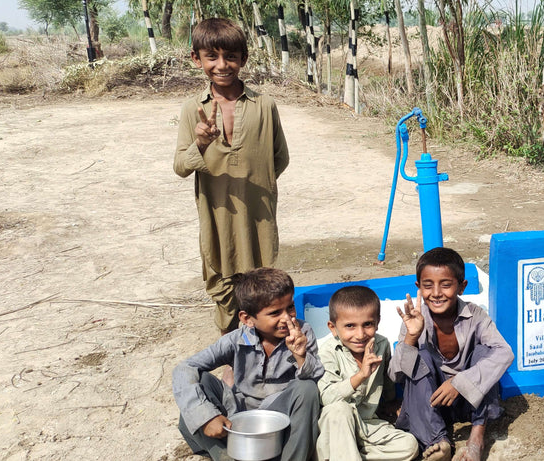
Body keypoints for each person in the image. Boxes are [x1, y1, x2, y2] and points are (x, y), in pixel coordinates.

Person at [173, 17, 289, 335]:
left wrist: (253, 178)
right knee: (222, 283)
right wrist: (200, 143)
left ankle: (265, 351)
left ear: (243, 59)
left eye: (231, 56)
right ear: (197, 59)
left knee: (261, 285)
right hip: (217, 214)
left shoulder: (264, 105)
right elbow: (181, 167)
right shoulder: (191, 109)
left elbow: (280, 157)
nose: (222, 65)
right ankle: (232, 355)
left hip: (258, 214)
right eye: (212, 56)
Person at [172, 268, 323, 461]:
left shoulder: (304, 333)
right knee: (195, 390)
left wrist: (301, 356)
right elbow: (185, 368)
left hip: (282, 417)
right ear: (247, 319)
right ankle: (226, 456)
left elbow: (317, 384)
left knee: (307, 388)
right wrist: (206, 416)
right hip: (239, 415)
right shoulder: (236, 340)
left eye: (290, 307)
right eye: (275, 313)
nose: (287, 318)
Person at [391, 247, 513, 461]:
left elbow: (505, 353)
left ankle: (477, 437)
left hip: (470, 404)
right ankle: (438, 441)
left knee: (485, 351)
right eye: (428, 285)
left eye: (446, 284)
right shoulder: (415, 319)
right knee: (421, 356)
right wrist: (411, 337)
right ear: (419, 287)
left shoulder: (475, 316)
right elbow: (396, 376)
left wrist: (460, 382)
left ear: (462, 287)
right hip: (433, 404)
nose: (436, 293)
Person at [316, 286, 419, 461]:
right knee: (339, 409)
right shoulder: (328, 352)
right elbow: (327, 398)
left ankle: (344, 454)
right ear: (333, 328)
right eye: (350, 326)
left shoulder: (382, 345)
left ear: (377, 322)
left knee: (409, 446)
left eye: (368, 324)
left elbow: (387, 381)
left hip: (367, 424)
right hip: (337, 425)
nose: (360, 334)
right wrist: (361, 375)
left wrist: (392, 402)